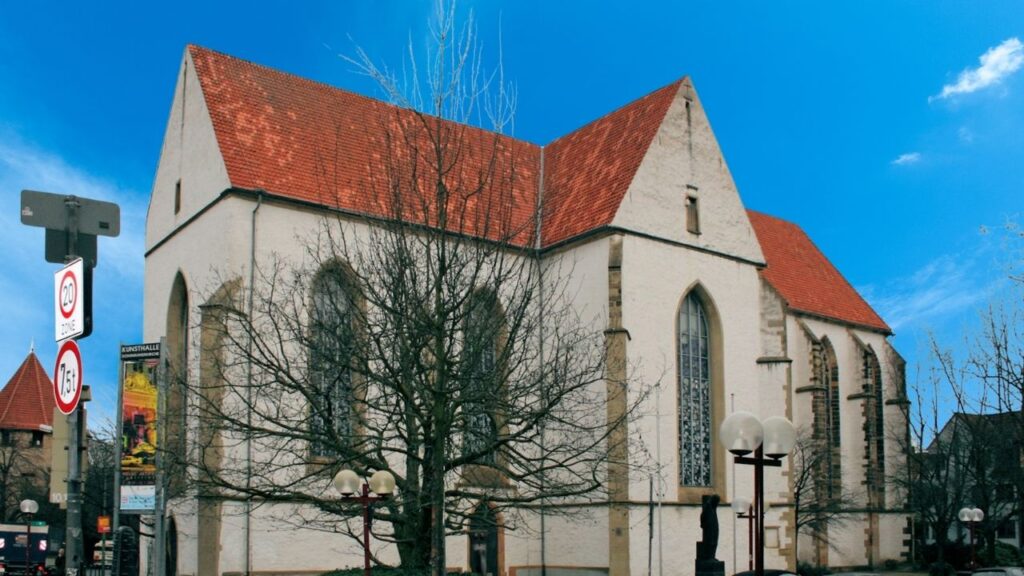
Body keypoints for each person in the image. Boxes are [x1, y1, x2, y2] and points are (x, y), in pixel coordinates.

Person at [698, 494, 721, 561]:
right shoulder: (708, 506)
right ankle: (709, 557)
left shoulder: (713, 507)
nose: (717, 504)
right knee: (710, 542)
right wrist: (702, 524)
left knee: (715, 542)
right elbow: (702, 516)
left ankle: (712, 556)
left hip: (714, 527)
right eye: (717, 502)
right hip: (709, 528)